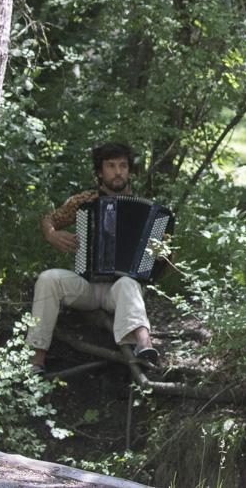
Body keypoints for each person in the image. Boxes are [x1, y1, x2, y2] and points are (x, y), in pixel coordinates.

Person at [27, 141, 159, 373]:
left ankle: (144, 344)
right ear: (100, 172)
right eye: (111, 166)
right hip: (86, 285)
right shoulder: (84, 201)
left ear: (129, 171)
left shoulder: (148, 212)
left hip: (120, 291)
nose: (118, 172)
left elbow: (162, 261)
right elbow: (49, 218)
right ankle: (36, 360)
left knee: (129, 282)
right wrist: (51, 234)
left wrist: (158, 255)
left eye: (123, 166)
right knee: (48, 278)